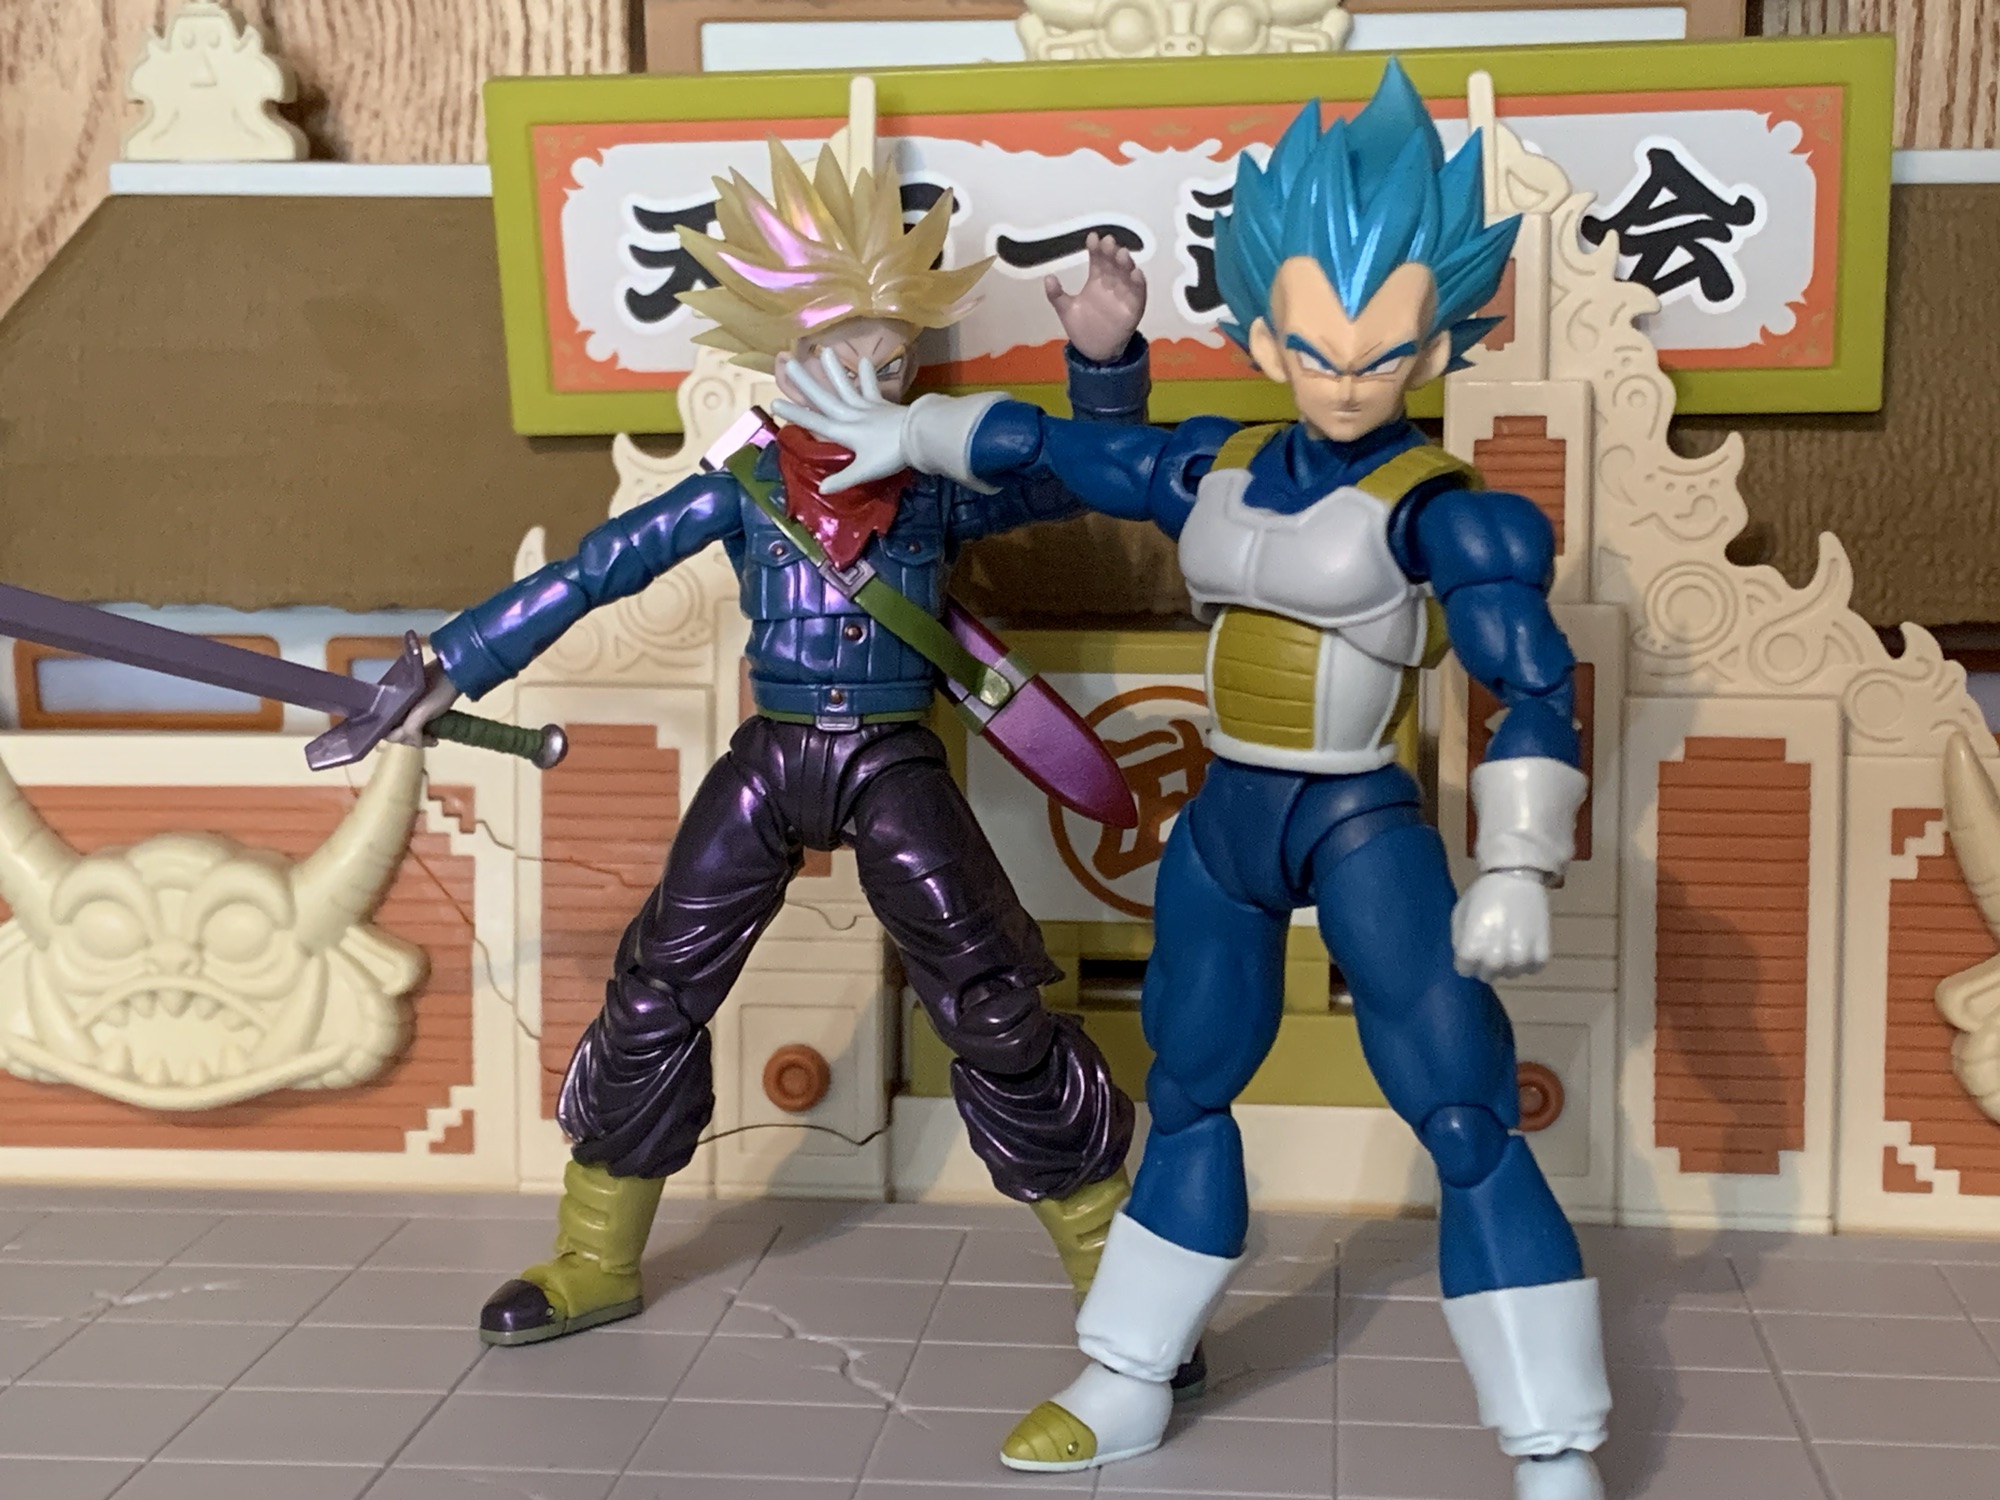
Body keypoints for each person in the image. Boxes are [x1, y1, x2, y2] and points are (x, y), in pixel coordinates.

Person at [772, 60, 1609, 1500]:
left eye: (1381, 356)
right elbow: (1059, 448)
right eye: (1316, 348)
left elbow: (1530, 682)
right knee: (1191, 1088)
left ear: (1437, 344)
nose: (1345, 381)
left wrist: (1522, 860)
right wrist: (905, 435)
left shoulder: (1448, 513)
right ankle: (1127, 1371)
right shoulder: (1219, 463)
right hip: (1229, 820)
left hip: (1356, 816)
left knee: (1461, 1108)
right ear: (1265, 330)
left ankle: (1551, 1439)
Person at [394, 138, 1159, 1357]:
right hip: (773, 756)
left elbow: (1086, 478)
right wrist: (447, 662)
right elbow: (594, 572)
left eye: (891, 363)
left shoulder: (931, 481)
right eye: (840, 358)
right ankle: (594, 1252)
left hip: (891, 760)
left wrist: (1104, 366)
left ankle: (1115, 1275)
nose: (869, 384)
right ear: (782, 357)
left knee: (994, 1005)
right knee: (655, 990)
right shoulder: (743, 486)